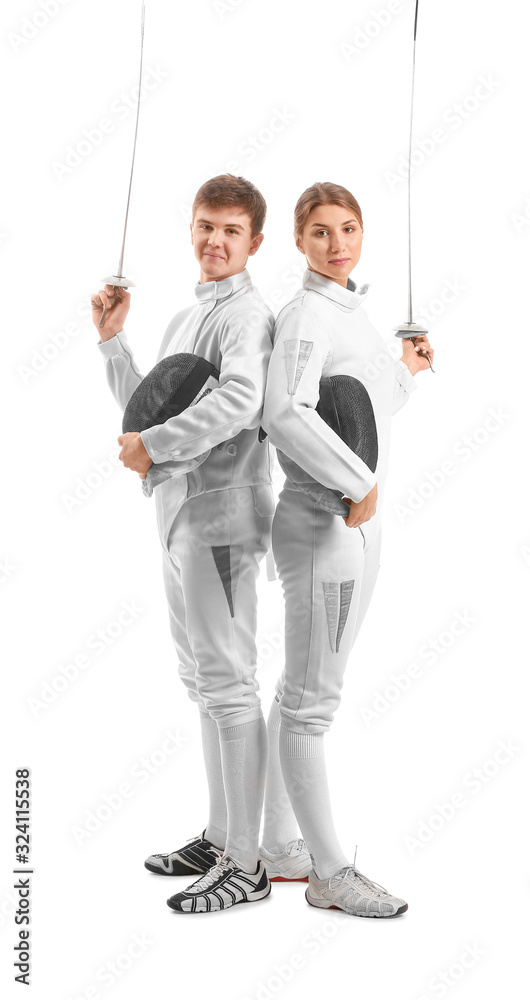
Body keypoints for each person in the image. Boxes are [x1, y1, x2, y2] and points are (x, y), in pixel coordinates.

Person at [91, 174, 310, 914]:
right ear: (191, 228)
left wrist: (152, 445)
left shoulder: (248, 316)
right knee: (203, 683)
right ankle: (222, 836)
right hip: (179, 518)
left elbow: (240, 401)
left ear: (255, 242)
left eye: (230, 231)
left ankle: (245, 864)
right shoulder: (189, 314)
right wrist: (114, 341)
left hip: (222, 521)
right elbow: (147, 404)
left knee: (227, 683)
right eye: (204, 226)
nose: (214, 240)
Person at [260, 181, 434, 917]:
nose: (338, 244)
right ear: (301, 241)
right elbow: (284, 413)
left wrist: (404, 371)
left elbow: (357, 411)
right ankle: (330, 873)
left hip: (359, 524)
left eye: (350, 229)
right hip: (323, 523)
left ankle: (279, 845)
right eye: (322, 232)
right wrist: (356, 483)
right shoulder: (304, 316)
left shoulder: (349, 314)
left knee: (301, 691)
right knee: (311, 703)